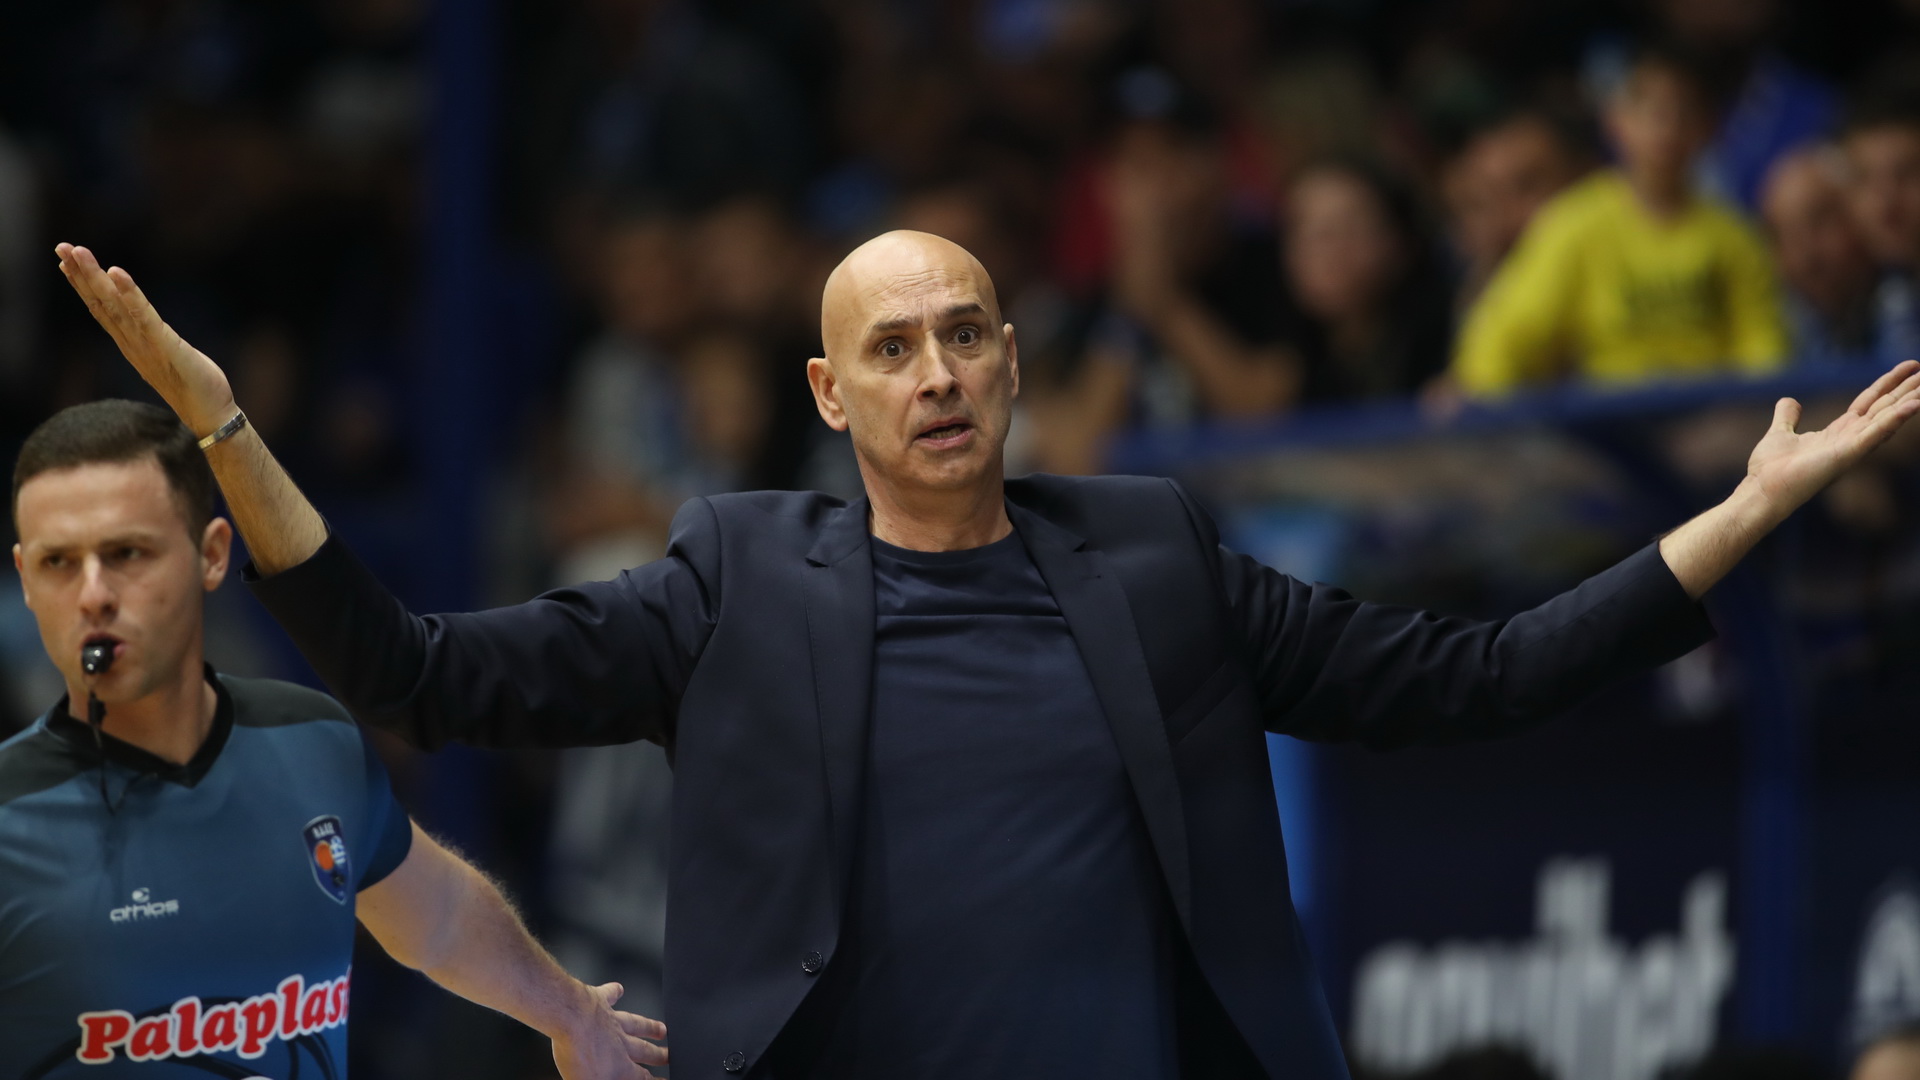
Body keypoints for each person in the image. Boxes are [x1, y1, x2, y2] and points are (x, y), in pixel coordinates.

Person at [53, 234, 1920, 1080]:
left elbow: (1477, 680)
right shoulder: (733, 579)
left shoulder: (1157, 557)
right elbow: (416, 676)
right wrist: (222, 425)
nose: (937, 373)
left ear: (1014, 360)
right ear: (829, 394)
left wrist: (1740, 513)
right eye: (893, 348)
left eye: (966, 334)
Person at [2, 399, 666, 1078]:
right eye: (59, 562)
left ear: (211, 555)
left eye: (126, 553)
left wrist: (574, 1013)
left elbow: (441, 920)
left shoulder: (309, 742)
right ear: (24, 578)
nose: (93, 594)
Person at [1452, 45, 1790, 397]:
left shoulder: (1734, 236)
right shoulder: (1574, 224)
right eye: (1651, 111)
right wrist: (1475, 396)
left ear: (1708, 128)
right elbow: (1512, 331)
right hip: (1612, 420)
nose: (1667, 128)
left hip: (1716, 418)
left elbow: (1764, 354)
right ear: (1617, 120)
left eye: (1683, 113)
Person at [1758, 145, 1881, 366]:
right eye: (1786, 235)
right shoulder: (1781, 322)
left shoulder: (1902, 305)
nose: (1806, 255)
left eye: (1819, 222)